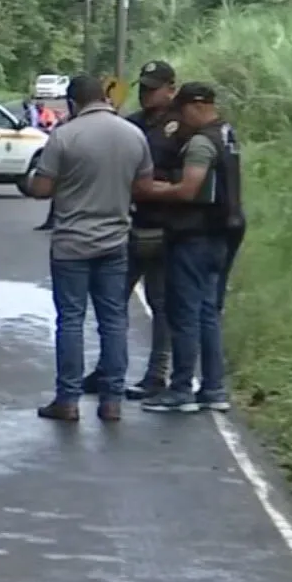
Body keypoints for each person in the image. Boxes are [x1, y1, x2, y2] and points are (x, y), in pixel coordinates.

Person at [20, 74, 154, 422]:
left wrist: (30, 180)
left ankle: (67, 400)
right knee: (113, 321)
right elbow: (143, 187)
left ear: (72, 102)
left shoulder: (65, 136)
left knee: (71, 321)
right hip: (115, 242)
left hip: (71, 244)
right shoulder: (133, 134)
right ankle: (112, 401)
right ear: (104, 98)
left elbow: (42, 189)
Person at [137, 82, 243, 414]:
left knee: (184, 314)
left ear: (196, 106)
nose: (180, 121)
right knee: (208, 313)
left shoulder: (200, 142)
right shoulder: (226, 134)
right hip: (221, 234)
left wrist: (151, 190)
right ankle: (213, 389)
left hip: (194, 236)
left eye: (182, 113)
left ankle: (181, 388)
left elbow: (188, 190)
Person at [110, 59, 180, 399]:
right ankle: (110, 368)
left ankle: (157, 373)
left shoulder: (181, 127)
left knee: (161, 304)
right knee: (113, 300)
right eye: (144, 88)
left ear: (171, 89)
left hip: (166, 225)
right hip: (130, 223)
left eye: (154, 89)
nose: (146, 94)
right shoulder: (132, 124)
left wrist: (157, 185)